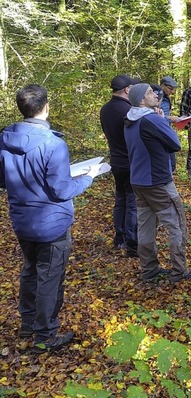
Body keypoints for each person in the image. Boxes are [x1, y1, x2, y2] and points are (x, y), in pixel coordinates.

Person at [0, 84, 102, 353]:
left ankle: (27, 322)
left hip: (22, 219)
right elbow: (61, 190)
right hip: (51, 222)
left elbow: (4, 180)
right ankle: (44, 334)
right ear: (46, 107)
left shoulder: (6, 138)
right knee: (50, 276)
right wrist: (88, 176)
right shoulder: (53, 144)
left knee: (31, 269)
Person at [125, 83, 191, 283]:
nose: (155, 94)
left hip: (138, 181)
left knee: (146, 225)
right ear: (142, 100)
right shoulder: (151, 119)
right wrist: (161, 121)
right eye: (150, 92)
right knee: (176, 223)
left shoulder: (130, 119)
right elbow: (174, 144)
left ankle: (149, 269)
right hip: (158, 181)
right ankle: (179, 270)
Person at [100, 74, 140, 257]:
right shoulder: (128, 110)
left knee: (120, 199)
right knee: (131, 202)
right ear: (126, 90)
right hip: (130, 161)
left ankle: (119, 237)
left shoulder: (105, 109)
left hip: (116, 161)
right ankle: (131, 241)